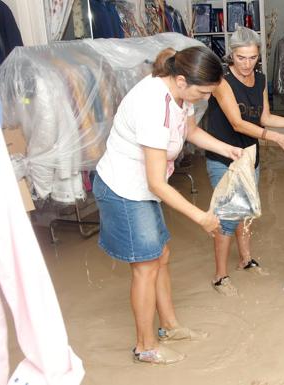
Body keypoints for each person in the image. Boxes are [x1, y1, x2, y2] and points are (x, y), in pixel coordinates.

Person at [93, 46, 242, 365]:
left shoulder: (181, 96)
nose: (204, 98)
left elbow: (189, 130)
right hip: (123, 190)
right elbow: (157, 182)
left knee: (161, 254)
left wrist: (227, 148)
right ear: (180, 79)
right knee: (146, 266)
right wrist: (201, 217)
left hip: (141, 189)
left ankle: (170, 327)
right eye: (202, 92)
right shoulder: (151, 104)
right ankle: (144, 347)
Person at [205, 26, 284, 296]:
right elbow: (238, 123)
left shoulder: (261, 78)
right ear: (231, 55)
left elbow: (264, 117)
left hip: (250, 157)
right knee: (227, 218)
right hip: (224, 159)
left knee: (246, 211)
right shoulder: (222, 82)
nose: (246, 64)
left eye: (252, 57)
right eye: (241, 58)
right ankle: (220, 276)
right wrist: (275, 138)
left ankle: (245, 259)